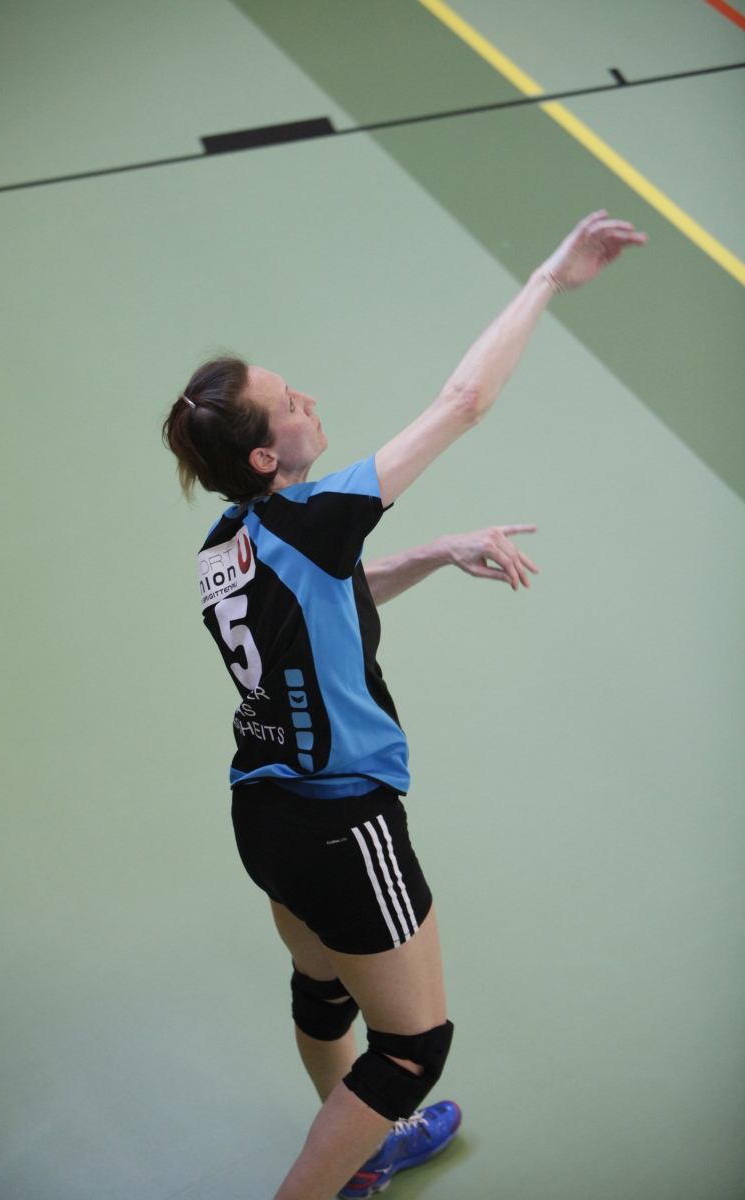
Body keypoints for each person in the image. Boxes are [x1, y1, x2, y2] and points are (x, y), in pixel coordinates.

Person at [162, 210, 646, 1200]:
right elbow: (464, 401)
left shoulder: (229, 540)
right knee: (412, 1049)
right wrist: (547, 278)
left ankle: (361, 1155)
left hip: (264, 813)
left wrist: (433, 551)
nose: (306, 398)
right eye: (286, 403)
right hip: (344, 822)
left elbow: (324, 603)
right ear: (265, 458)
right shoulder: (314, 516)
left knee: (321, 985)